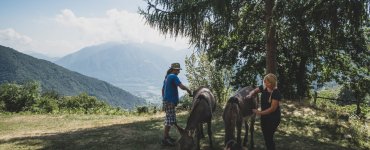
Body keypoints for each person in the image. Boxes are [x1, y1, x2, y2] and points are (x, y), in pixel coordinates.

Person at [247, 73, 282, 150]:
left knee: (269, 137)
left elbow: (272, 109)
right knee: (266, 137)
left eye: (266, 82)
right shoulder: (264, 87)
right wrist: (250, 94)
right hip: (264, 118)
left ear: (271, 83)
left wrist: (258, 112)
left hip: (273, 118)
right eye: (264, 81)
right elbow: (255, 90)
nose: (264, 83)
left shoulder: (276, 93)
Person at [161, 62, 192, 146]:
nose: (179, 72)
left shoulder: (167, 77)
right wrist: (189, 91)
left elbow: (163, 89)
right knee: (169, 120)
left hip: (167, 101)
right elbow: (181, 86)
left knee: (171, 119)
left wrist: (164, 99)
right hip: (170, 102)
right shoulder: (173, 76)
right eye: (178, 70)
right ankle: (165, 139)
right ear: (174, 69)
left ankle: (167, 136)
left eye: (179, 70)